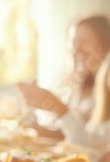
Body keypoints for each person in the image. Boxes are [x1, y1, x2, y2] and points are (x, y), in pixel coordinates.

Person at [18, 14, 110, 142]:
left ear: (104, 44)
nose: (76, 48)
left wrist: (57, 107)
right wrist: (38, 128)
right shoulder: (81, 86)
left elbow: (90, 143)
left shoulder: (105, 90)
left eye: (84, 41)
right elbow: (71, 136)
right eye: (73, 42)